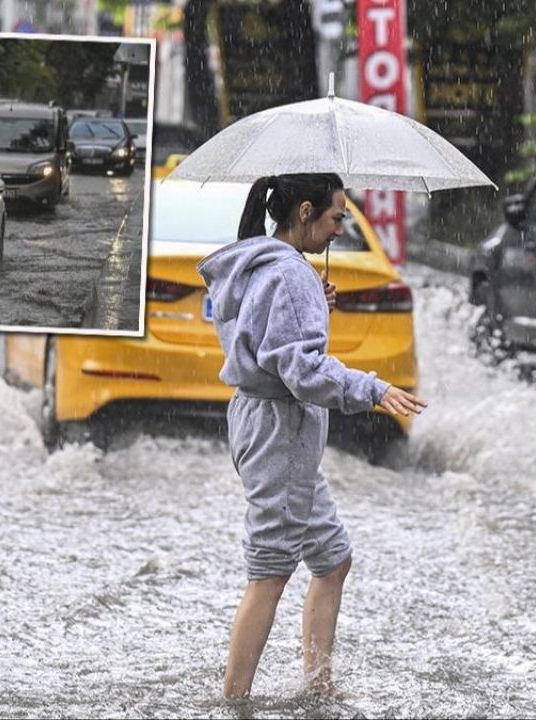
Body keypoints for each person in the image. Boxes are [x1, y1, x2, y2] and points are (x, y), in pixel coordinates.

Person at [196, 173, 427, 700]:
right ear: (304, 212)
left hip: (272, 426)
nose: (341, 228)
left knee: (332, 557)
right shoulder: (288, 274)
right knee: (270, 571)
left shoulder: (261, 262)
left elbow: (264, 336)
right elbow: (301, 370)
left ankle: (317, 685)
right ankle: (233, 701)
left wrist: (313, 306)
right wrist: (373, 388)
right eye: (336, 217)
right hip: (281, 430)